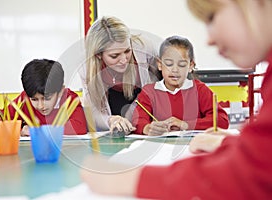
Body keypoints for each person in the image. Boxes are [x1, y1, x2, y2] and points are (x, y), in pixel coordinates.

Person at [80, 0, 272, 199]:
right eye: (114, 55)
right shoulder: (145, 90)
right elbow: (264, 156)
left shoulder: (194, 86)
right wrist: (232, 145)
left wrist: (128, 179)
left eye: (212, 17)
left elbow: (247, 174)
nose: (208, 40)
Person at [78, 16, 161, 134]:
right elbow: (93, 111)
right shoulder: (85, 66)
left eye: (127, 51)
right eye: (114, 55)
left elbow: (161, 82)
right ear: (98, 55)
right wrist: (110, 121)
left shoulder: (144, 47)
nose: (123, 60)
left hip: (144, 112)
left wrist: (133, 114)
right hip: (113, 109)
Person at [132, 35, 229, 135]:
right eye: (169, 64)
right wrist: (148, 128)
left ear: (190, 66)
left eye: (181, 65)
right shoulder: (149, 92)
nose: (175, 70)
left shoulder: (200, 90)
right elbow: (137, 121)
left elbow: (222, 120)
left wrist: (186, 125)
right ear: (160, 64)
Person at [8, 59, 87, 136]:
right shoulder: (24, 99)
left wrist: (38, 130)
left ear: (60, 91)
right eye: (34, 99)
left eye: (46, 98)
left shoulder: (69, 98)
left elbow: (79, 127)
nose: (40, 106)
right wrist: (19, 130)